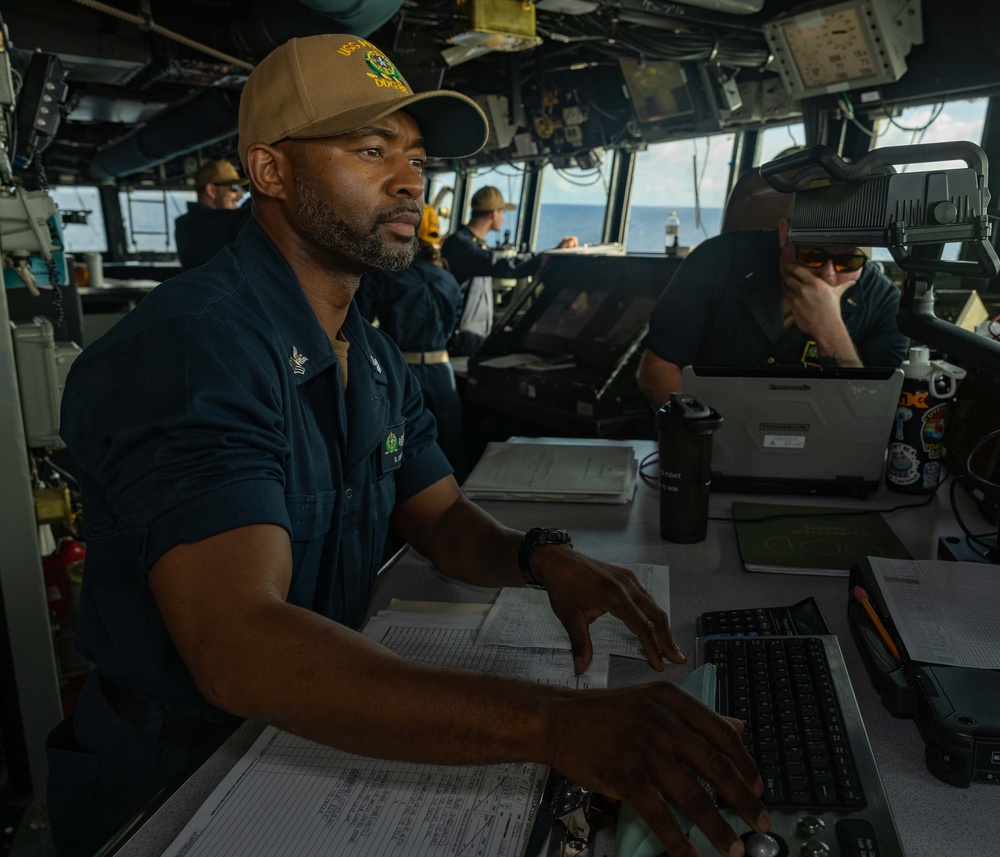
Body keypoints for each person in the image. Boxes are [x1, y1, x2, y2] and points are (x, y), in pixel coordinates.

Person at [46, 33, 768, 857]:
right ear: (270, 172)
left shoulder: (372, 353)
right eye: (369, 150)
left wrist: (541, 558)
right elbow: (239, 644)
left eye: (416, 156)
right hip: (183, 774)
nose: (409, 181)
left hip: (315, 722)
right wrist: (552, 723)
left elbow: (442, 518)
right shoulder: (189, 350)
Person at [636, 219, 910, 408]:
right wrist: (705, 434)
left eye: (848, 261)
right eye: (812, 254)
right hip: (706, 436)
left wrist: (832, 333)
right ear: (784, 233)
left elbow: (873, 412)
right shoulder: (718, 260)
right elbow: (656, 368)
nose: (827, 275)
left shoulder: (884, 303)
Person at [356, 204, 469, 481]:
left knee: (399, 456)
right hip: (443, 375)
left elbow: (359, 324)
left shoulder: (384, 275)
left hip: (400, 372)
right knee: (450, 450)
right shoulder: (449, 279)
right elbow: (453, 325)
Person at [441, 186, 579, 354]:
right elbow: (501, 265)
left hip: (472, 334)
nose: (504, 217)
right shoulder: (460, 245)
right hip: (460, 339)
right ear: (493, 214)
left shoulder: (472, 245)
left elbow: (478, 301)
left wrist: (504, 322)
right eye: (502, 212)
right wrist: (546, 257)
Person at [173, 158, 253, 270]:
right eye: (234, 188)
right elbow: (246, 214)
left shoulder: (186, 223)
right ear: (211, 190)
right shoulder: (198, 226)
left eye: (241, 189)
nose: (240, 195)